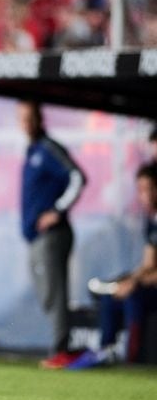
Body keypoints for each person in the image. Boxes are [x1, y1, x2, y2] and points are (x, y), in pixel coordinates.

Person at [18, 100, 87, 369]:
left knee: (54, 292)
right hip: (36, 237)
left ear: (39, 119)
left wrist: (57, 210)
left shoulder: (49, 149)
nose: (26, 124)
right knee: (46, 292)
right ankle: (63, 345)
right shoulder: (33, 150)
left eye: (29, 118)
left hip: (53, 234)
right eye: (22, 119)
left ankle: (62, 350)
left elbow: (78, 177)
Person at [72, 163, 157, 368]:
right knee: (111, 299)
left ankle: (132, 361)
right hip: (150, 285)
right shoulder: (151, 221)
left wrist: (135, 285)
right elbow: (149, 263)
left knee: (133, 298)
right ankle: (105, 353)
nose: (143, 195)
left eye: (149, 188)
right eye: (140, 189)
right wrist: (128, 280)